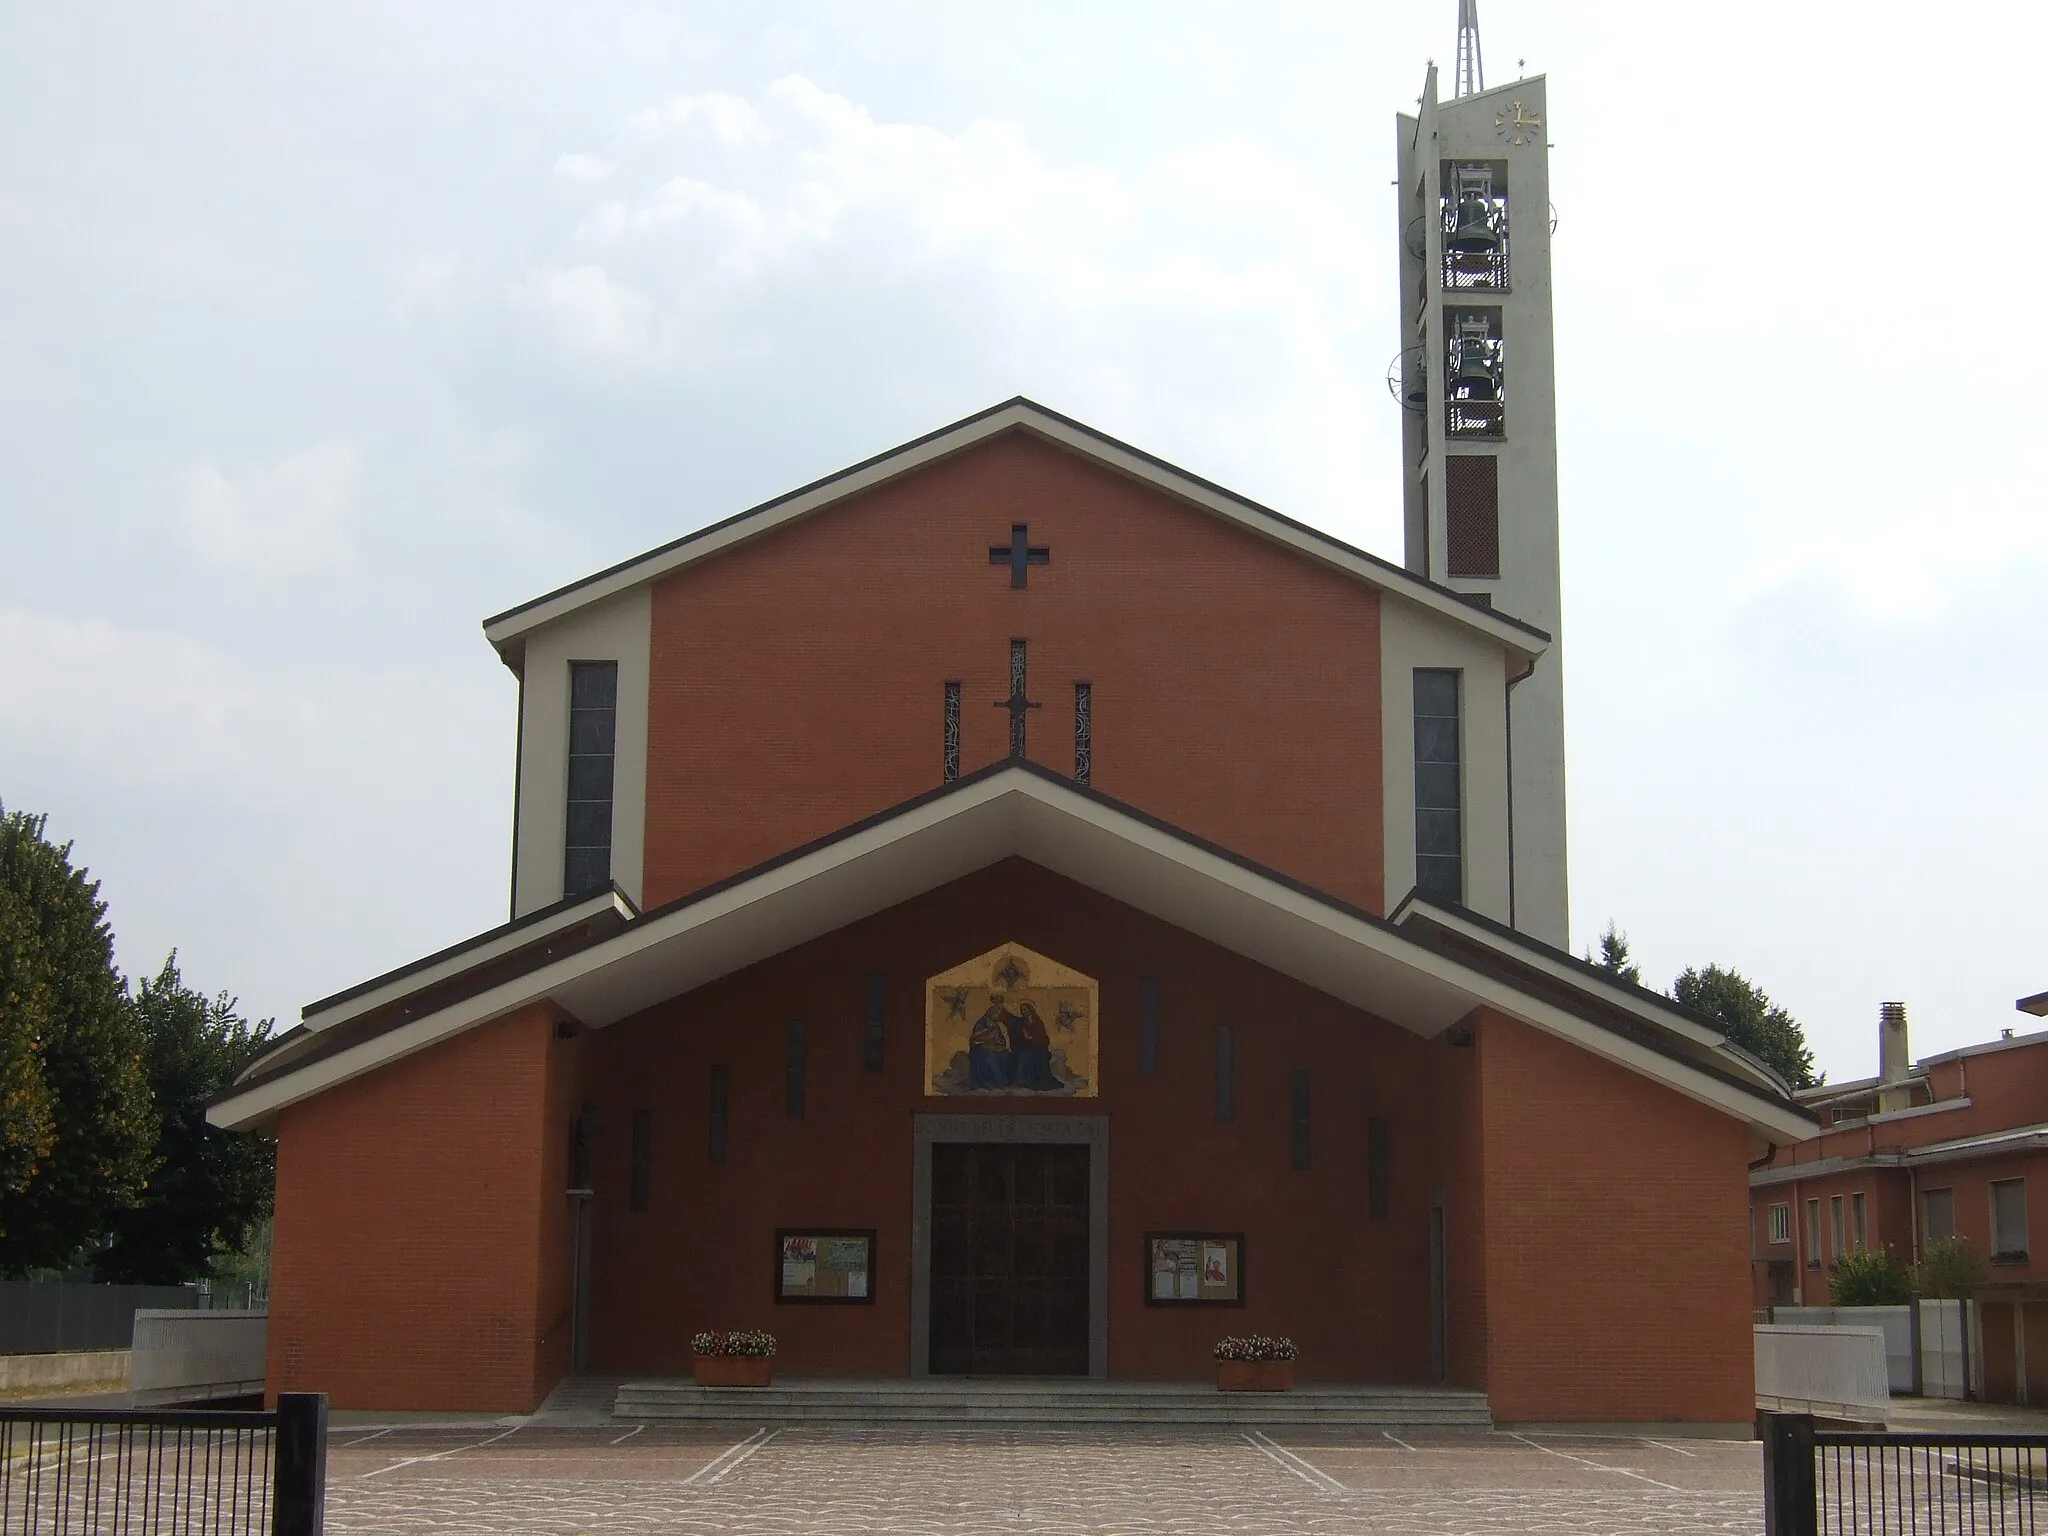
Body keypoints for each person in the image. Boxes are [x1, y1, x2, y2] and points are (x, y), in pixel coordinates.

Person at [1009, 1000, 1062, 1091]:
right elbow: (1017, 1035)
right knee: (1015, 1056)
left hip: (1038, 1048)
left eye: (1025, 1009)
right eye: (1022, 1010)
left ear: (1030, 1010)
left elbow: (1043, 1039)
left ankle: (1024, 1082)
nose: (1023, 1012)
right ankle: (1018, 1081)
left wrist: (1029, 1037)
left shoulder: (1038, 1023)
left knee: (1024, 1057)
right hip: (1026, 1048)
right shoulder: (1021, 1022)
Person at [967, 997, 1016, 1089]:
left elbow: (1002, 1041)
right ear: (990, 1013)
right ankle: (994, 1082)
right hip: (980, 1049)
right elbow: (974, 1039)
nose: (997, 1016)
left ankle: (1008, 1080)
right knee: (990, 1057)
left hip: (994, 1049)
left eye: (998, 1014)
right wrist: (988, 1040)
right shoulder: (981, 1024)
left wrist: (1000, 1046)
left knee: (1006, 1055)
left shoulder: (997, 1026)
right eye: (995, 1014)